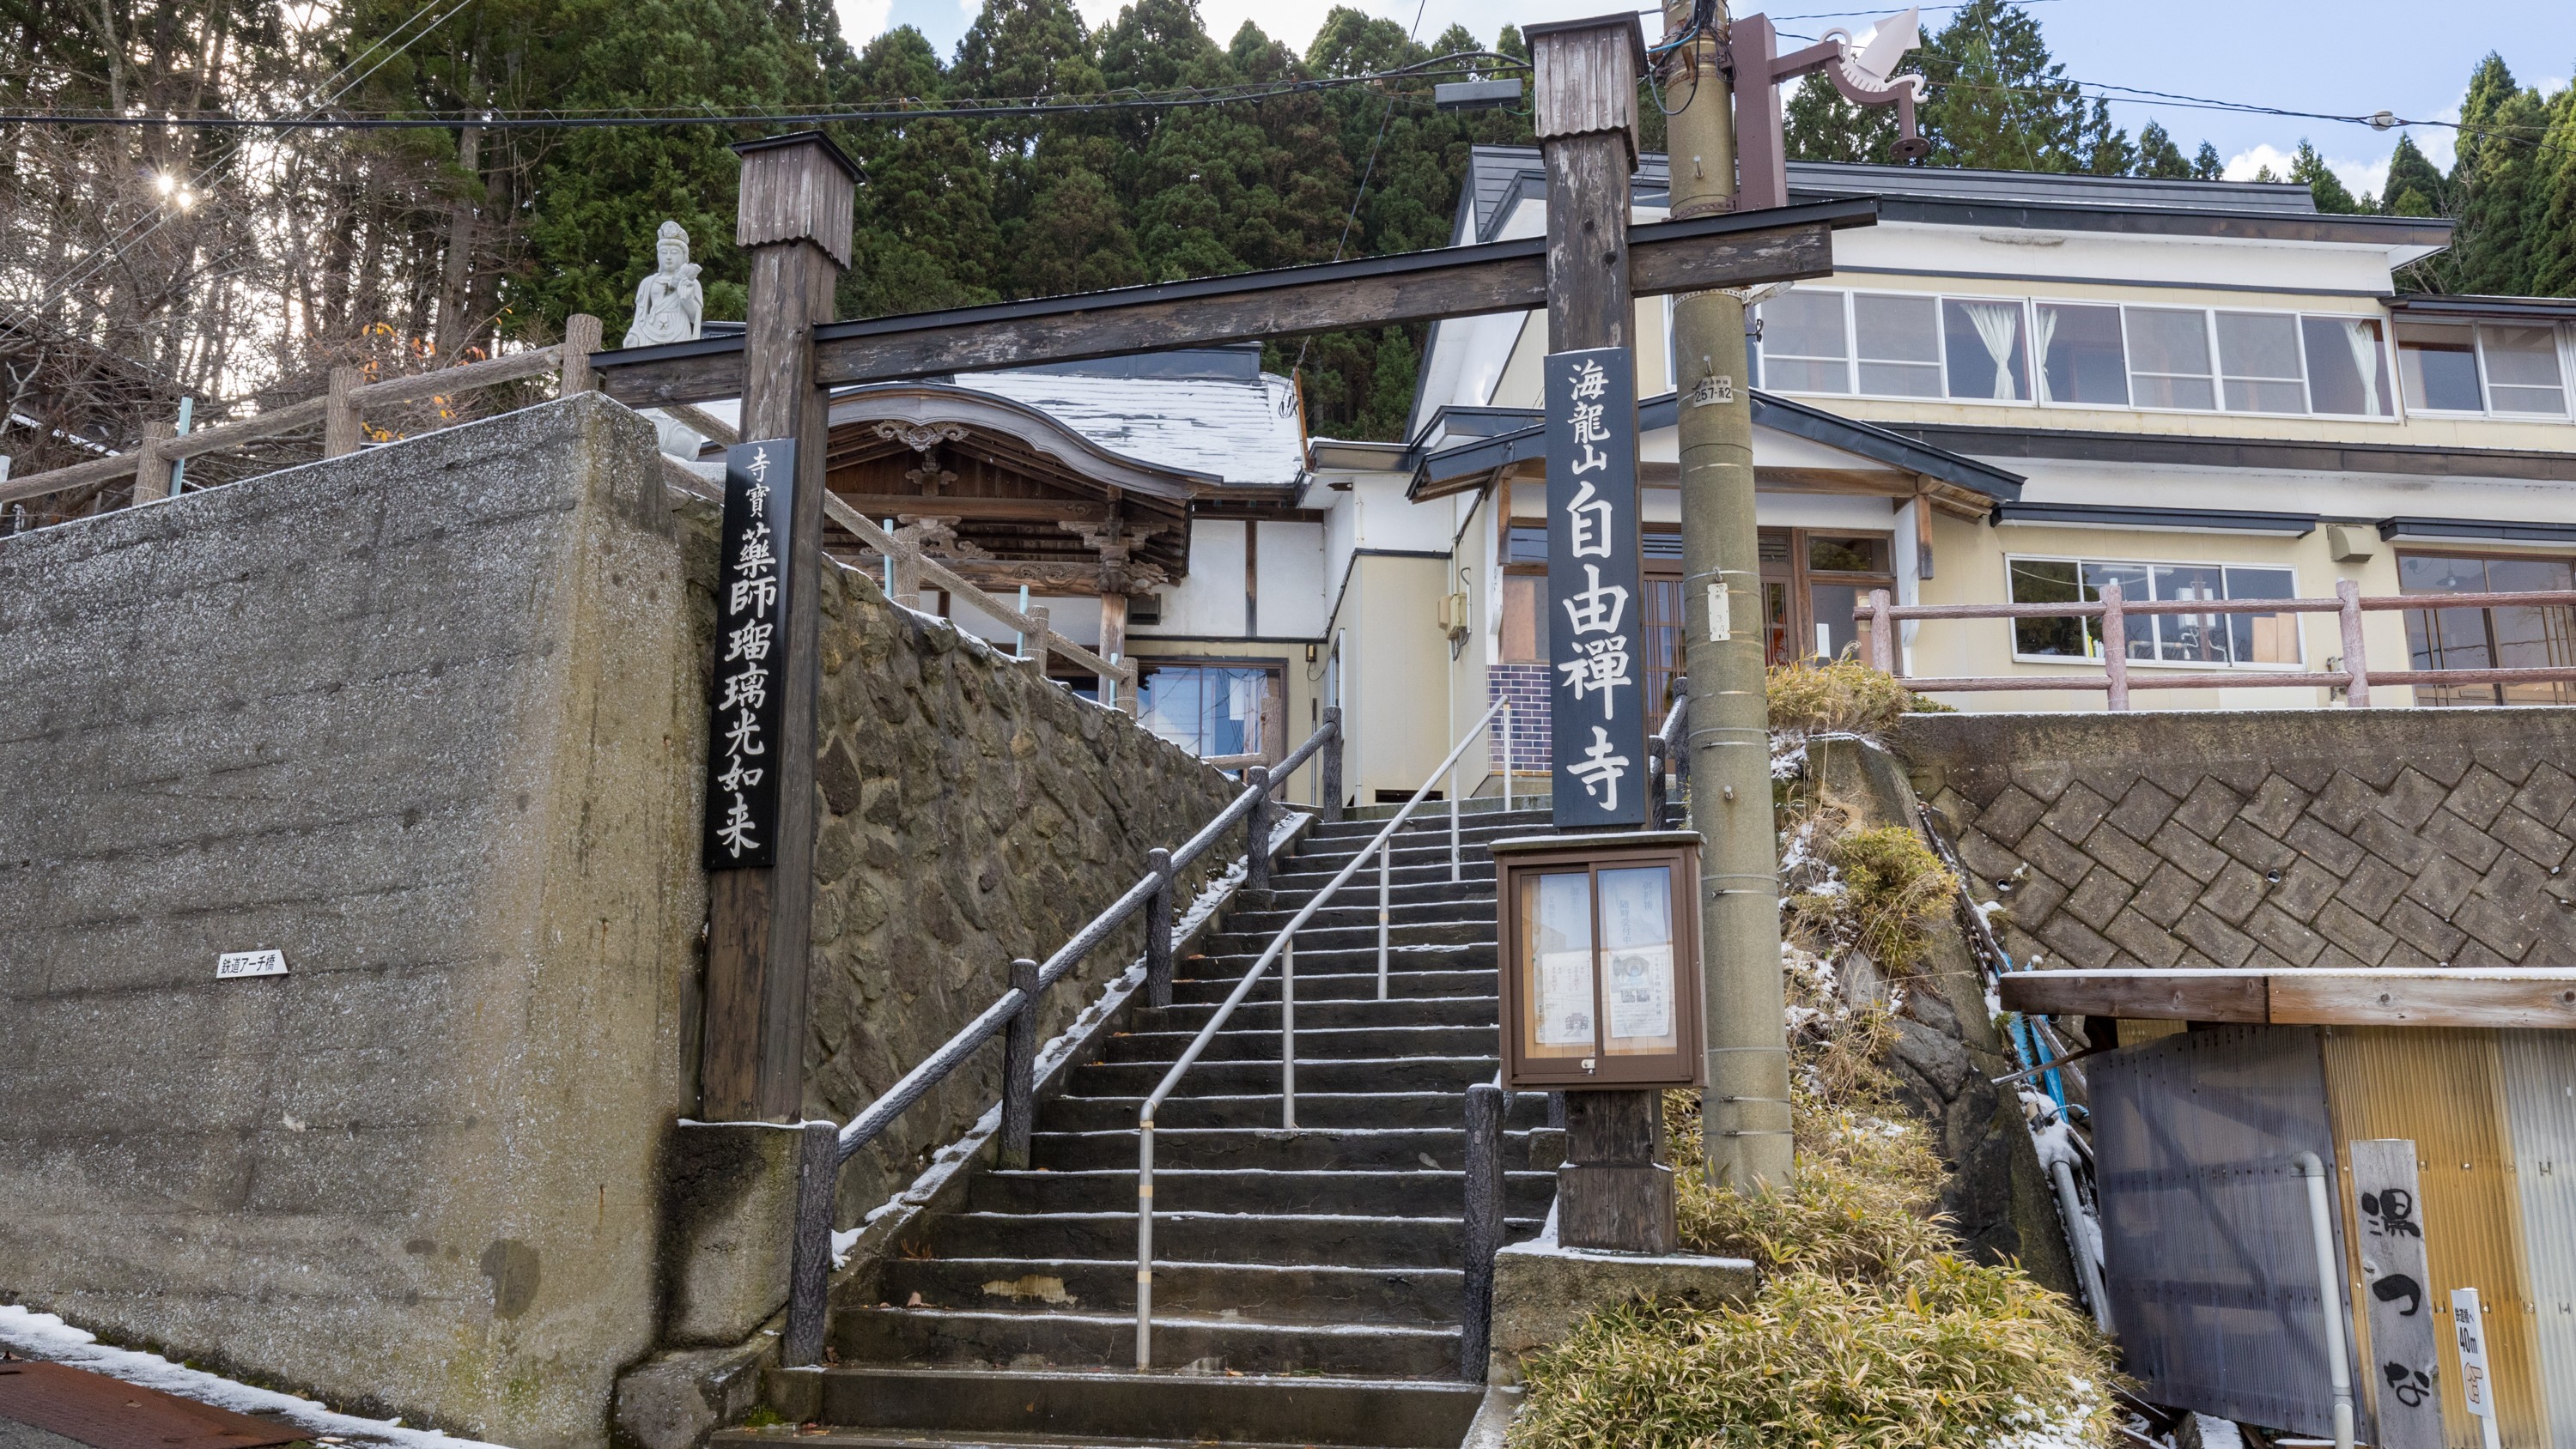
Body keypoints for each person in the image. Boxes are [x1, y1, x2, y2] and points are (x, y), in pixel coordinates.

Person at [623, 220, 702, 348]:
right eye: (664, 252)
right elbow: (639, 316)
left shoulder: (691, 282)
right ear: (658, 255)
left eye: (674, 252)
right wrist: (633, 335)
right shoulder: (647, 283)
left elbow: (695, 317)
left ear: (684, 257)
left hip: (679, 329)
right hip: (649, 330)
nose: (669, 257)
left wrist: (687, 299)